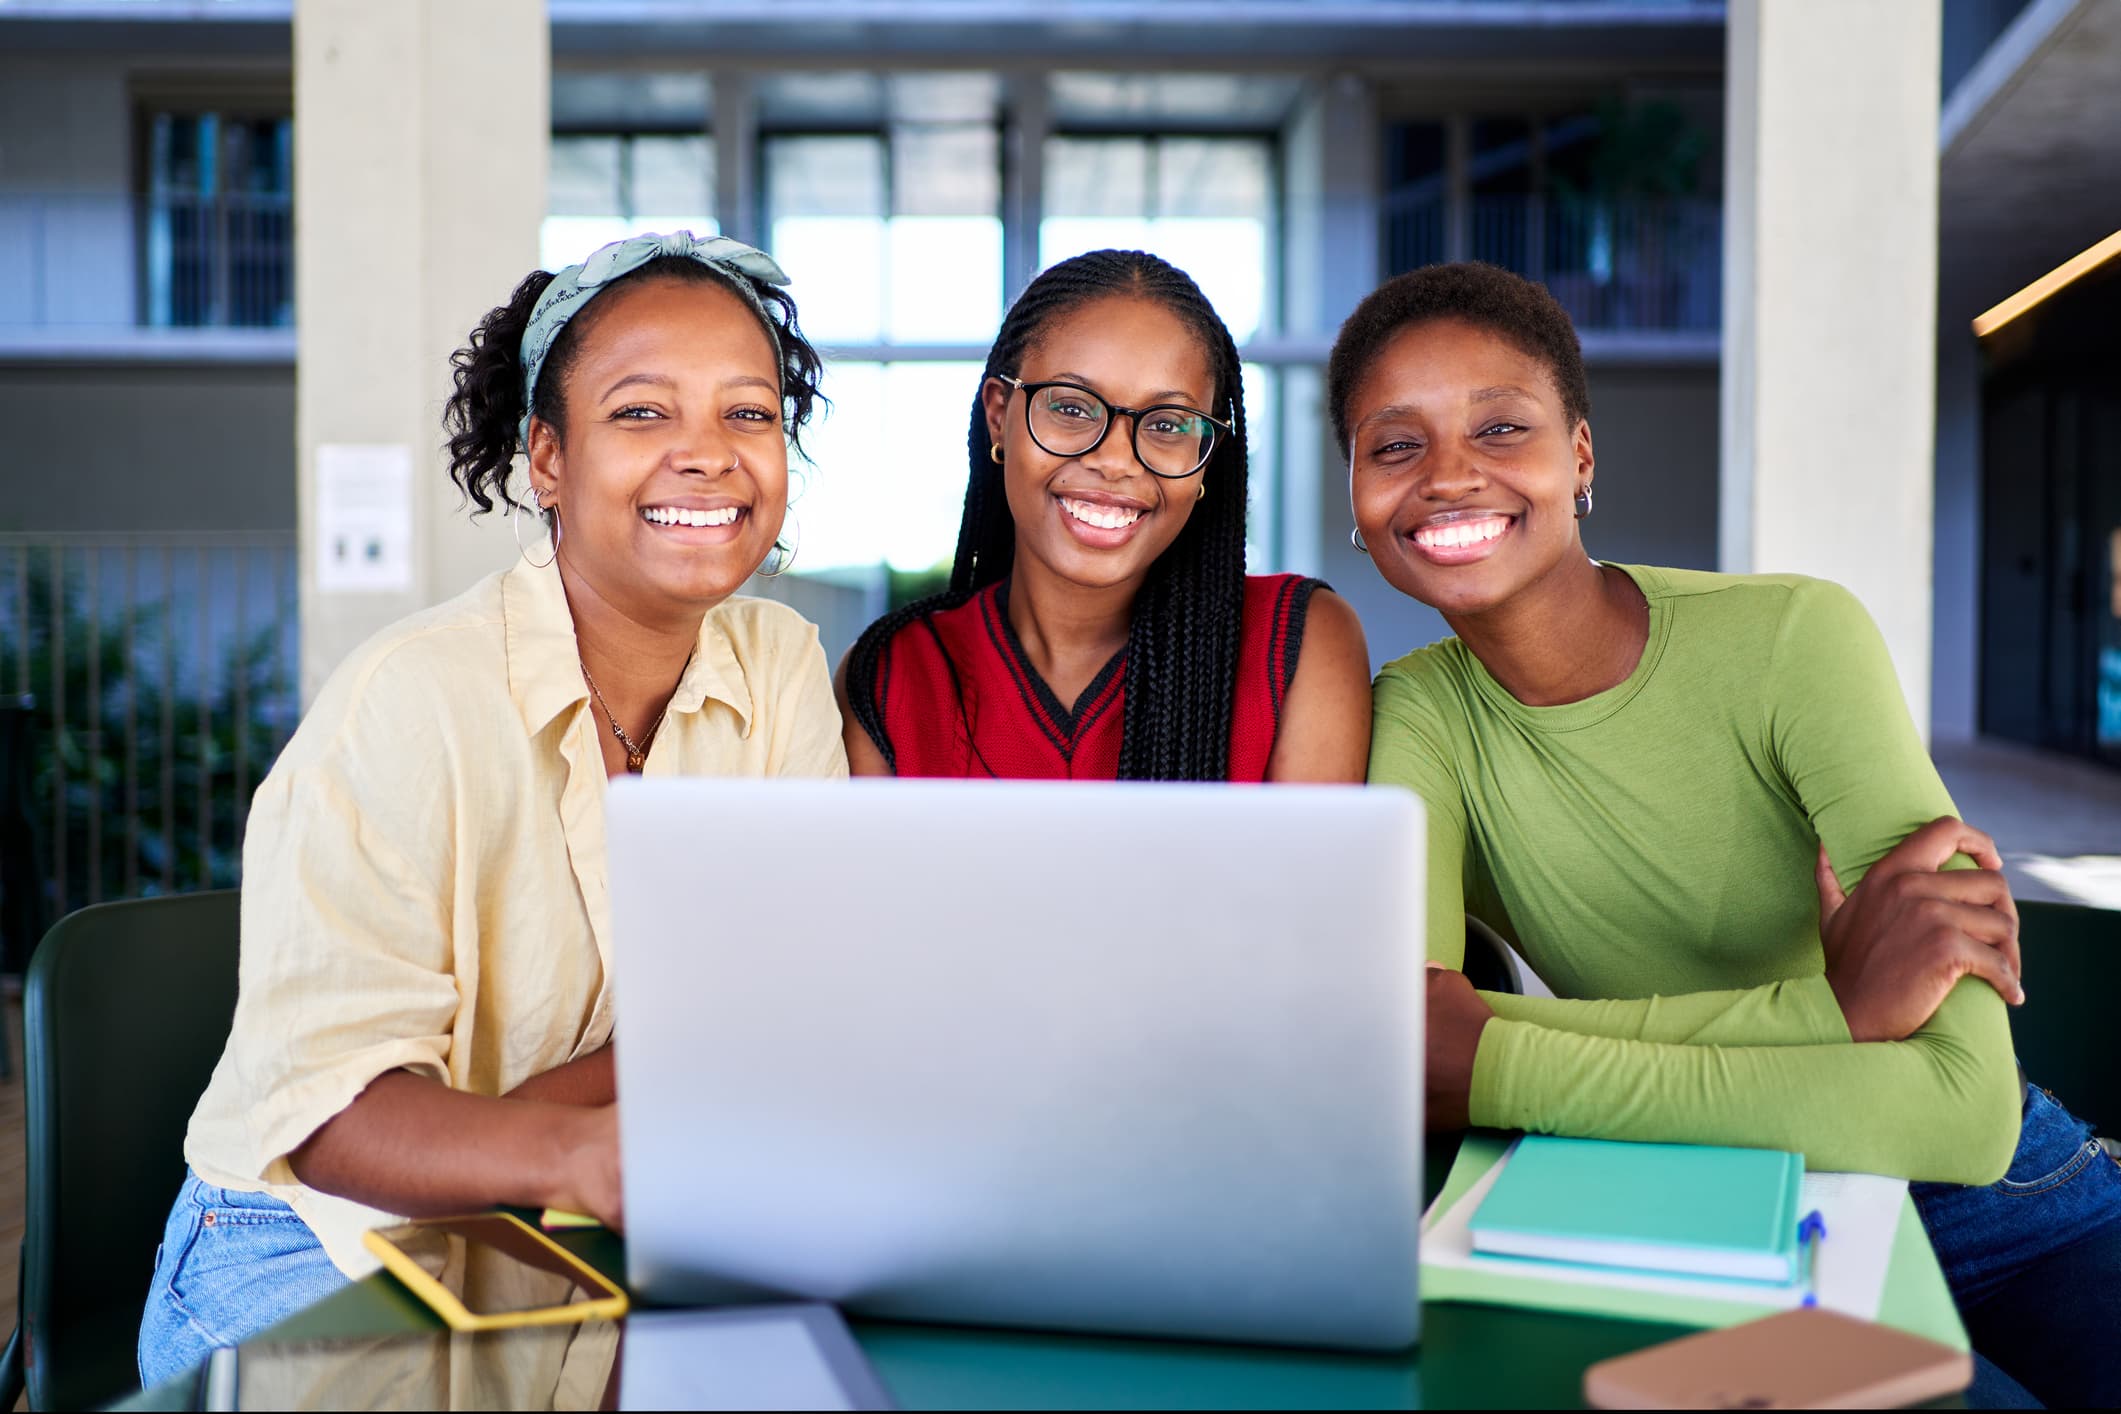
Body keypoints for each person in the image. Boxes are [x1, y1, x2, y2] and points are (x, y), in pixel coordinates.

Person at [1338, 260, 2121, 1408]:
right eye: (1393, 445)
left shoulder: (1795, 639)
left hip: (2002, 1204)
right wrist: (1833, 1016)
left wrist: (1488, 1053)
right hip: (1702, 1223)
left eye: (1502, 427)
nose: (1449, 475)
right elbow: (1408, 1055)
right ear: (1355, 492)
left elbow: (1958, 1111)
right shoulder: (1418, 712)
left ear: (1583, 458)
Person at [138, 232, 847, 1384]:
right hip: (311, 1244)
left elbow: (766, 1011)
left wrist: (555, 1141)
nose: (708, 456)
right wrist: (580, 1145)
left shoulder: (778, 664)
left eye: (749, 413)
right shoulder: (405, 699)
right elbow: (332, 1120)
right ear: (548, 459)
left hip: (558, 1222)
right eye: (641, 413)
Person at [838, 249, 1370, 782]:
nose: (1116, 461)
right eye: (1072, 408)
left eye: (1167, 424)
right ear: (1000, 417)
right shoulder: (890, 676)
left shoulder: (1296, 643)